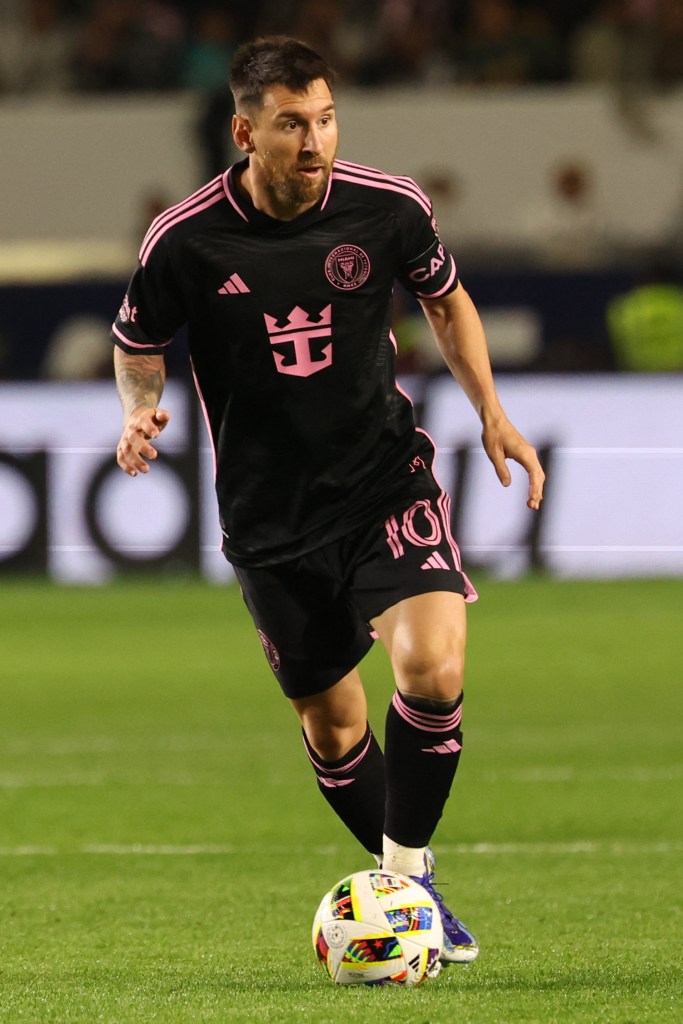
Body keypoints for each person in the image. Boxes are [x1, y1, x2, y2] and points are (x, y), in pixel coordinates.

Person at [112, 36, 545, 967]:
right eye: (290, 125)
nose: (314, 141)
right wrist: (141, 411)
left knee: (430, 665)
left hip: (381, 481)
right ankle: (411, 886)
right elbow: (137, 339)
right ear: (244, 131)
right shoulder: (185, 239)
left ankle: (403, 882)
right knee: (335, 726)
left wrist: (494, 415)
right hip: (269, 520)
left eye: (325, 119)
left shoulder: (386, 209)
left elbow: (447, 300)